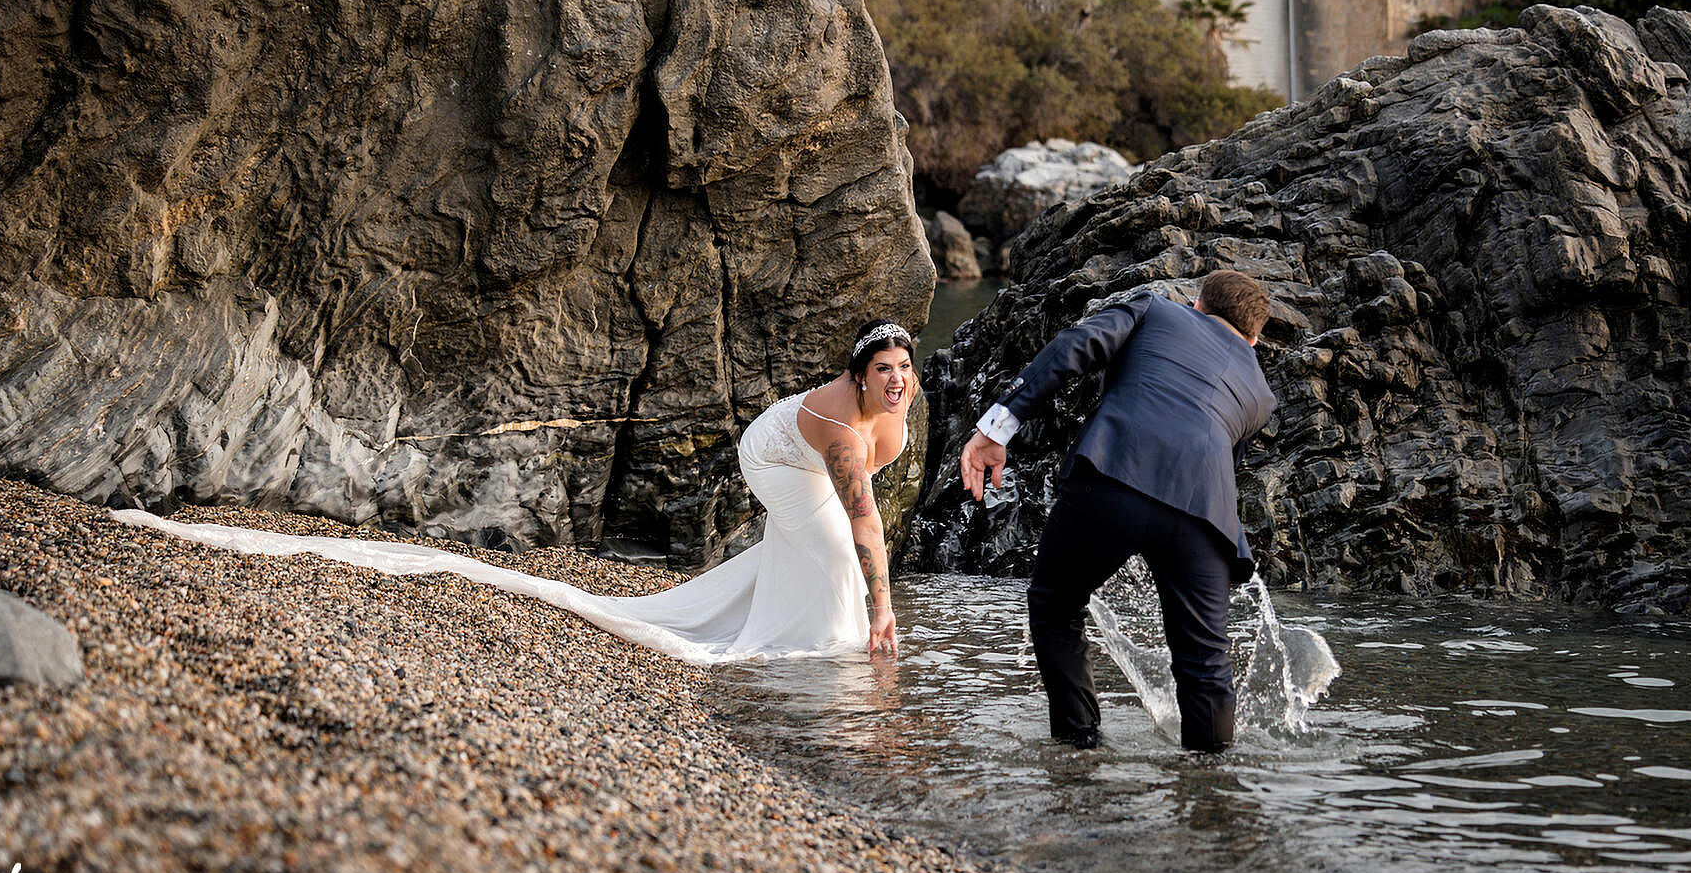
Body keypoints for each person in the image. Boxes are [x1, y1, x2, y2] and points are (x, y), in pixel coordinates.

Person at [111, 320, 918, 663]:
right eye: (882, 371)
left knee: (820, 554)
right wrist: (885, 604)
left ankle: (817, 630)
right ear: (856, 376)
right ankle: (839, 655)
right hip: (776, 457)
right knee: (845, 564)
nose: (897, 381)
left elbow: (869, 499)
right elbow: (864, 517)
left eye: (905, 370)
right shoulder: (841, 430)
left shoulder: (893, 407)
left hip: (816, 465)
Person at [959, 271, 1276, 752]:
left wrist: (997, 429)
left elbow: (1074, 348)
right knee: (1206, 664)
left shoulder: (1156, 309)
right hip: (1204, 513)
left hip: (1114, 474)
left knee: (1056, 605)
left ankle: (1080, 748)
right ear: (1253, 339)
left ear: (1196, 305)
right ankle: (1214, 799)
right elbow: (1225, 465)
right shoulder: (1260, 393)